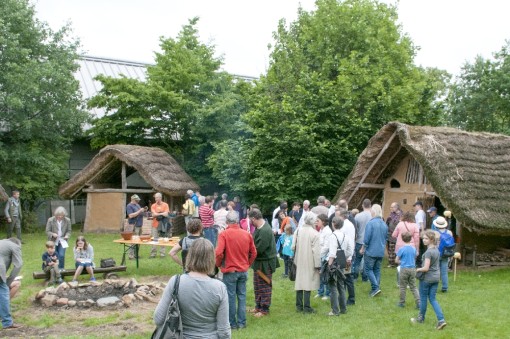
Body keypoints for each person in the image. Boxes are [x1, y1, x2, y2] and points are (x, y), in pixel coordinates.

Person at [154, 238, 231, 338]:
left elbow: (158, 319)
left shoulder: (176, 282)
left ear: (190, 256)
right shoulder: (220, 288)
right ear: (212, 258)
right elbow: (224, 331)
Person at [215, 211, 257, 330]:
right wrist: (247, 264)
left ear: (227, 222)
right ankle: (242, 323)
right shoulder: (247, 234)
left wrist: (218, 264)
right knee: (242, 297)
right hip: (243, 270)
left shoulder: (224, 234)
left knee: (231, 298)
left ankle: (232, 324)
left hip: (230, 271)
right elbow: (253, 252)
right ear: (238, 221)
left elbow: (218, 253)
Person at [411, 230, 447, 330]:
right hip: (436, 278)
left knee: (423, 299)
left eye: (426, 238)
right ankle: (441, 320)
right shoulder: (436, 250)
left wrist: (418, 269)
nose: (424, 240)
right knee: (433, 299)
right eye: (423, 238)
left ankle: (420, 318)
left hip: (426, 279)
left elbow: (426, 268)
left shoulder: (428, 252)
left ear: (431, 239)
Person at [248, 209, 279, 317]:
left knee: (265, 285)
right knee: (257, 286)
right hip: (258, 263)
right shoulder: (258, 228)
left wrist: (247, 253)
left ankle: (264, 309)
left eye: (250, 220)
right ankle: (258, 307)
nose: (250, 222)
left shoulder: (265, 230)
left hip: (265, 263)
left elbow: (258, 249)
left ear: (253, 218)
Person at [292, 212, 321, 313]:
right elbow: (316, 252)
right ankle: (307, 307)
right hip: (310, 261)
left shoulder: (298, 230)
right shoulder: (315, 234)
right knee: (308, 283)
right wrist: (318, 265)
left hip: (299, 259)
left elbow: (292, 246)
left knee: (300, 282)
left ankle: (299, 306)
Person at [327, 217, 354, 316]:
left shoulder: (332, 236)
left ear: (334, 224)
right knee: (341, 285)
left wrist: (329, 265)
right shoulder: (345, 236)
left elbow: (332, 253)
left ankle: (335, 310)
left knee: (333, 286)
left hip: (334, 262)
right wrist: (345, 256)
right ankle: (343, 308)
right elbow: (350, 251)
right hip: (342, 262)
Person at [360, 204, 388, 297]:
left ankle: (375, 288)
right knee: (377, 269)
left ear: (374, 211)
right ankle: (376, 287)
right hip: (380, 250)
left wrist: (363, 248)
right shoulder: (384, 224)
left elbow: (367, 238)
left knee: (368, 269)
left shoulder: (371, 223)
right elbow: (385, 238)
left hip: (371, 250)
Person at [0, 237, 23, 329]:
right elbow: (19, 264)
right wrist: (8, 281)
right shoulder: (15, 246)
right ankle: (7, 322)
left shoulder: (3, 243)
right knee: (4, 291)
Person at [395, 232, 420, 309]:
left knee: (403, 287)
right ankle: (419, 302)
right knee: (413, 287)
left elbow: (396, 260)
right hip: (412, 268)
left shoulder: (401, 249)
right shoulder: (413, 248)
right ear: (411, 238)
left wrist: (401, 262)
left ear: (402, 239)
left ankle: (402, 302)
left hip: (404, 269)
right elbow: (415, 255)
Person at [337, 209, 356, 305]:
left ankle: (351, 299)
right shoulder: (345, 224)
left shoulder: (347, 225)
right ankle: (342, 296)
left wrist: (349, 257)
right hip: (343, 255)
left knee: (348, 277)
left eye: (338, 215)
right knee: (343, 276)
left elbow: (351, 242)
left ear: (342, 216)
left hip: (346, 255)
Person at [353, 199, 371, 282]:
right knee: (367, 261)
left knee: (357, 260)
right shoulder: (372, 215)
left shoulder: (358, 216)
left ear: (363, 205)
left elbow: (355, 229)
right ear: (370, 205)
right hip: (369, 242)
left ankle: (355, 277)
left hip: (359, 240)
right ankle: (365, 278)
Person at [434, 217, 453, 293]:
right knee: (444, 271)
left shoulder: (435, 233)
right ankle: (445, 287)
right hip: (446, 253)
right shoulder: (449, 232)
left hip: (437, 253)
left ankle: (435, 287)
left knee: (436, 271)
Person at [316, 213, 331, 300]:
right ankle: (320, 292)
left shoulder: (328, 231)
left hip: (325, 257)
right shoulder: (321, 230)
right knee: (319, 275)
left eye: (318, 221)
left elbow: (326, 246)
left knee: (325, 275)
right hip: (320, 255)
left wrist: (319, 255)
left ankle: (327, 293)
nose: (316, 222)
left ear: (323, 222)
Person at [150, 192, 170, 258]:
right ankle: (153, 254)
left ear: (160, 198)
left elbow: (166, 214)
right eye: (155, 198)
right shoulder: (153, 205)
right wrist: (161, 213)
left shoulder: (165, 205)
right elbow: (153, 215)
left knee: (162, 239)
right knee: (154, 239)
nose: (156, 199)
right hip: (155, 224)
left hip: (163, 225)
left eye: (157, 197)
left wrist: (157, 213)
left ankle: (162, 254)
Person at [386, 202, 403, 267]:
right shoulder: (391, 215)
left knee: (399, 250)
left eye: (392, 207)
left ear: (396, 207)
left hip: (399, 236)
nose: (391, 208)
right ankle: (391, 263)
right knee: (391, 250)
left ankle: (398, 262)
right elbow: (387, 223)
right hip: (391, 235)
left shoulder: (401, 216)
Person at [414, 201, 426, 267]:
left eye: (415, 206)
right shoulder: (422, 212)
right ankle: (421, 261)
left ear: (419, 206)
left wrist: (422, 232)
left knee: (418, 246)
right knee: (421, 247)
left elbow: (421, 222)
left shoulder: (420, 212)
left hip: (419, 230)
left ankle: (419, 262)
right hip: (420, 229)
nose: (415, 208)